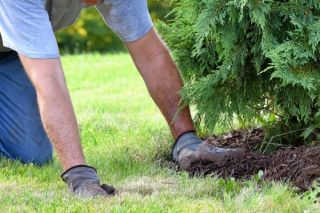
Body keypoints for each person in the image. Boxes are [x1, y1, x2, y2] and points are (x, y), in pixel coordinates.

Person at [0, 0, 244, 198]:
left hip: (9, 53)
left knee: (30, 154)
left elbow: (151, 54)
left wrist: (186, 140)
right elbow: (49, 81)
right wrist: (78, 174)